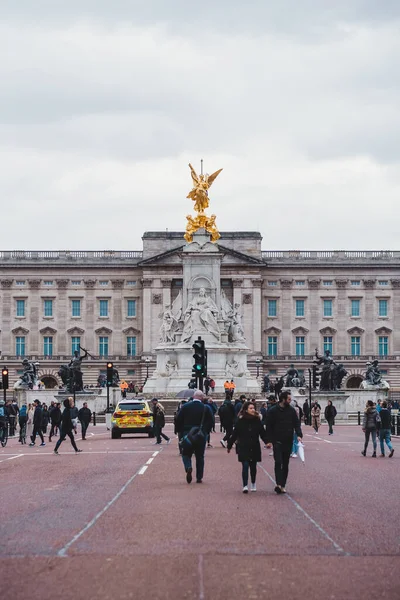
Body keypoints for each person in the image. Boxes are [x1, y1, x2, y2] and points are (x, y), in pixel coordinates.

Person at [265, 391, 303, 494]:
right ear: (283, 399)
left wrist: (299, 435)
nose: (290, 401)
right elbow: (268, 426)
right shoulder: (272, 411)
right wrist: (268, 440)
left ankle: (283, 485)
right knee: (278, 462)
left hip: (288, 439)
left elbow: (296, 423)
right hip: (277, 440)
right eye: (289, 399)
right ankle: (278, 484)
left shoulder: (291, 411)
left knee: (285, 464)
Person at [227, 401, 269, 493]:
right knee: (245, 465)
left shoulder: (257, 420)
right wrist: (229, 445)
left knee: (253, 466)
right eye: (250, 408)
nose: (253, 410)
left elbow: (262, 433)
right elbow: (234, 434)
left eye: (253, 408)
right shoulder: (240, 421)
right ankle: (245, 485)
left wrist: (267, 442)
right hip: (243, 445)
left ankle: (253, 483)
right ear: (246, 410)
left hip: (254, 445)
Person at [175, 390, 214, 484]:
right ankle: (199, 477)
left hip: (187, 434)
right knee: (200, 456)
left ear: (193, 396)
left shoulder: (185, 406)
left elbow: (178, 419)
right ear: (201, 397)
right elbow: (211, 421)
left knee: (186, 454)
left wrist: (180, 432)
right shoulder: (206, 408)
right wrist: (205, 432)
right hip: (201, 435)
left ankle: (188, 466)